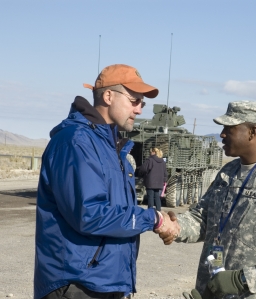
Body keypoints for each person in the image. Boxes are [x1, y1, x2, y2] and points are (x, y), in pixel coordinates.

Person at [34, 64, 178, 299]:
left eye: (142, 103)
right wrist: (153, 218)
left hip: (106, 282)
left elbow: (116, 212)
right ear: (109, 96)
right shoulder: (76, 142)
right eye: (134, 101)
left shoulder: (111, 146)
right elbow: (91, 214)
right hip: (77, 285)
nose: (139, 110)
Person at [159, 101, 256, 299]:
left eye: (229, 128)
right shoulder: (228, 172)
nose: (222, 134)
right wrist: (175, 226)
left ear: (252, 132)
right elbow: (202, 218)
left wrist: (241, 280)